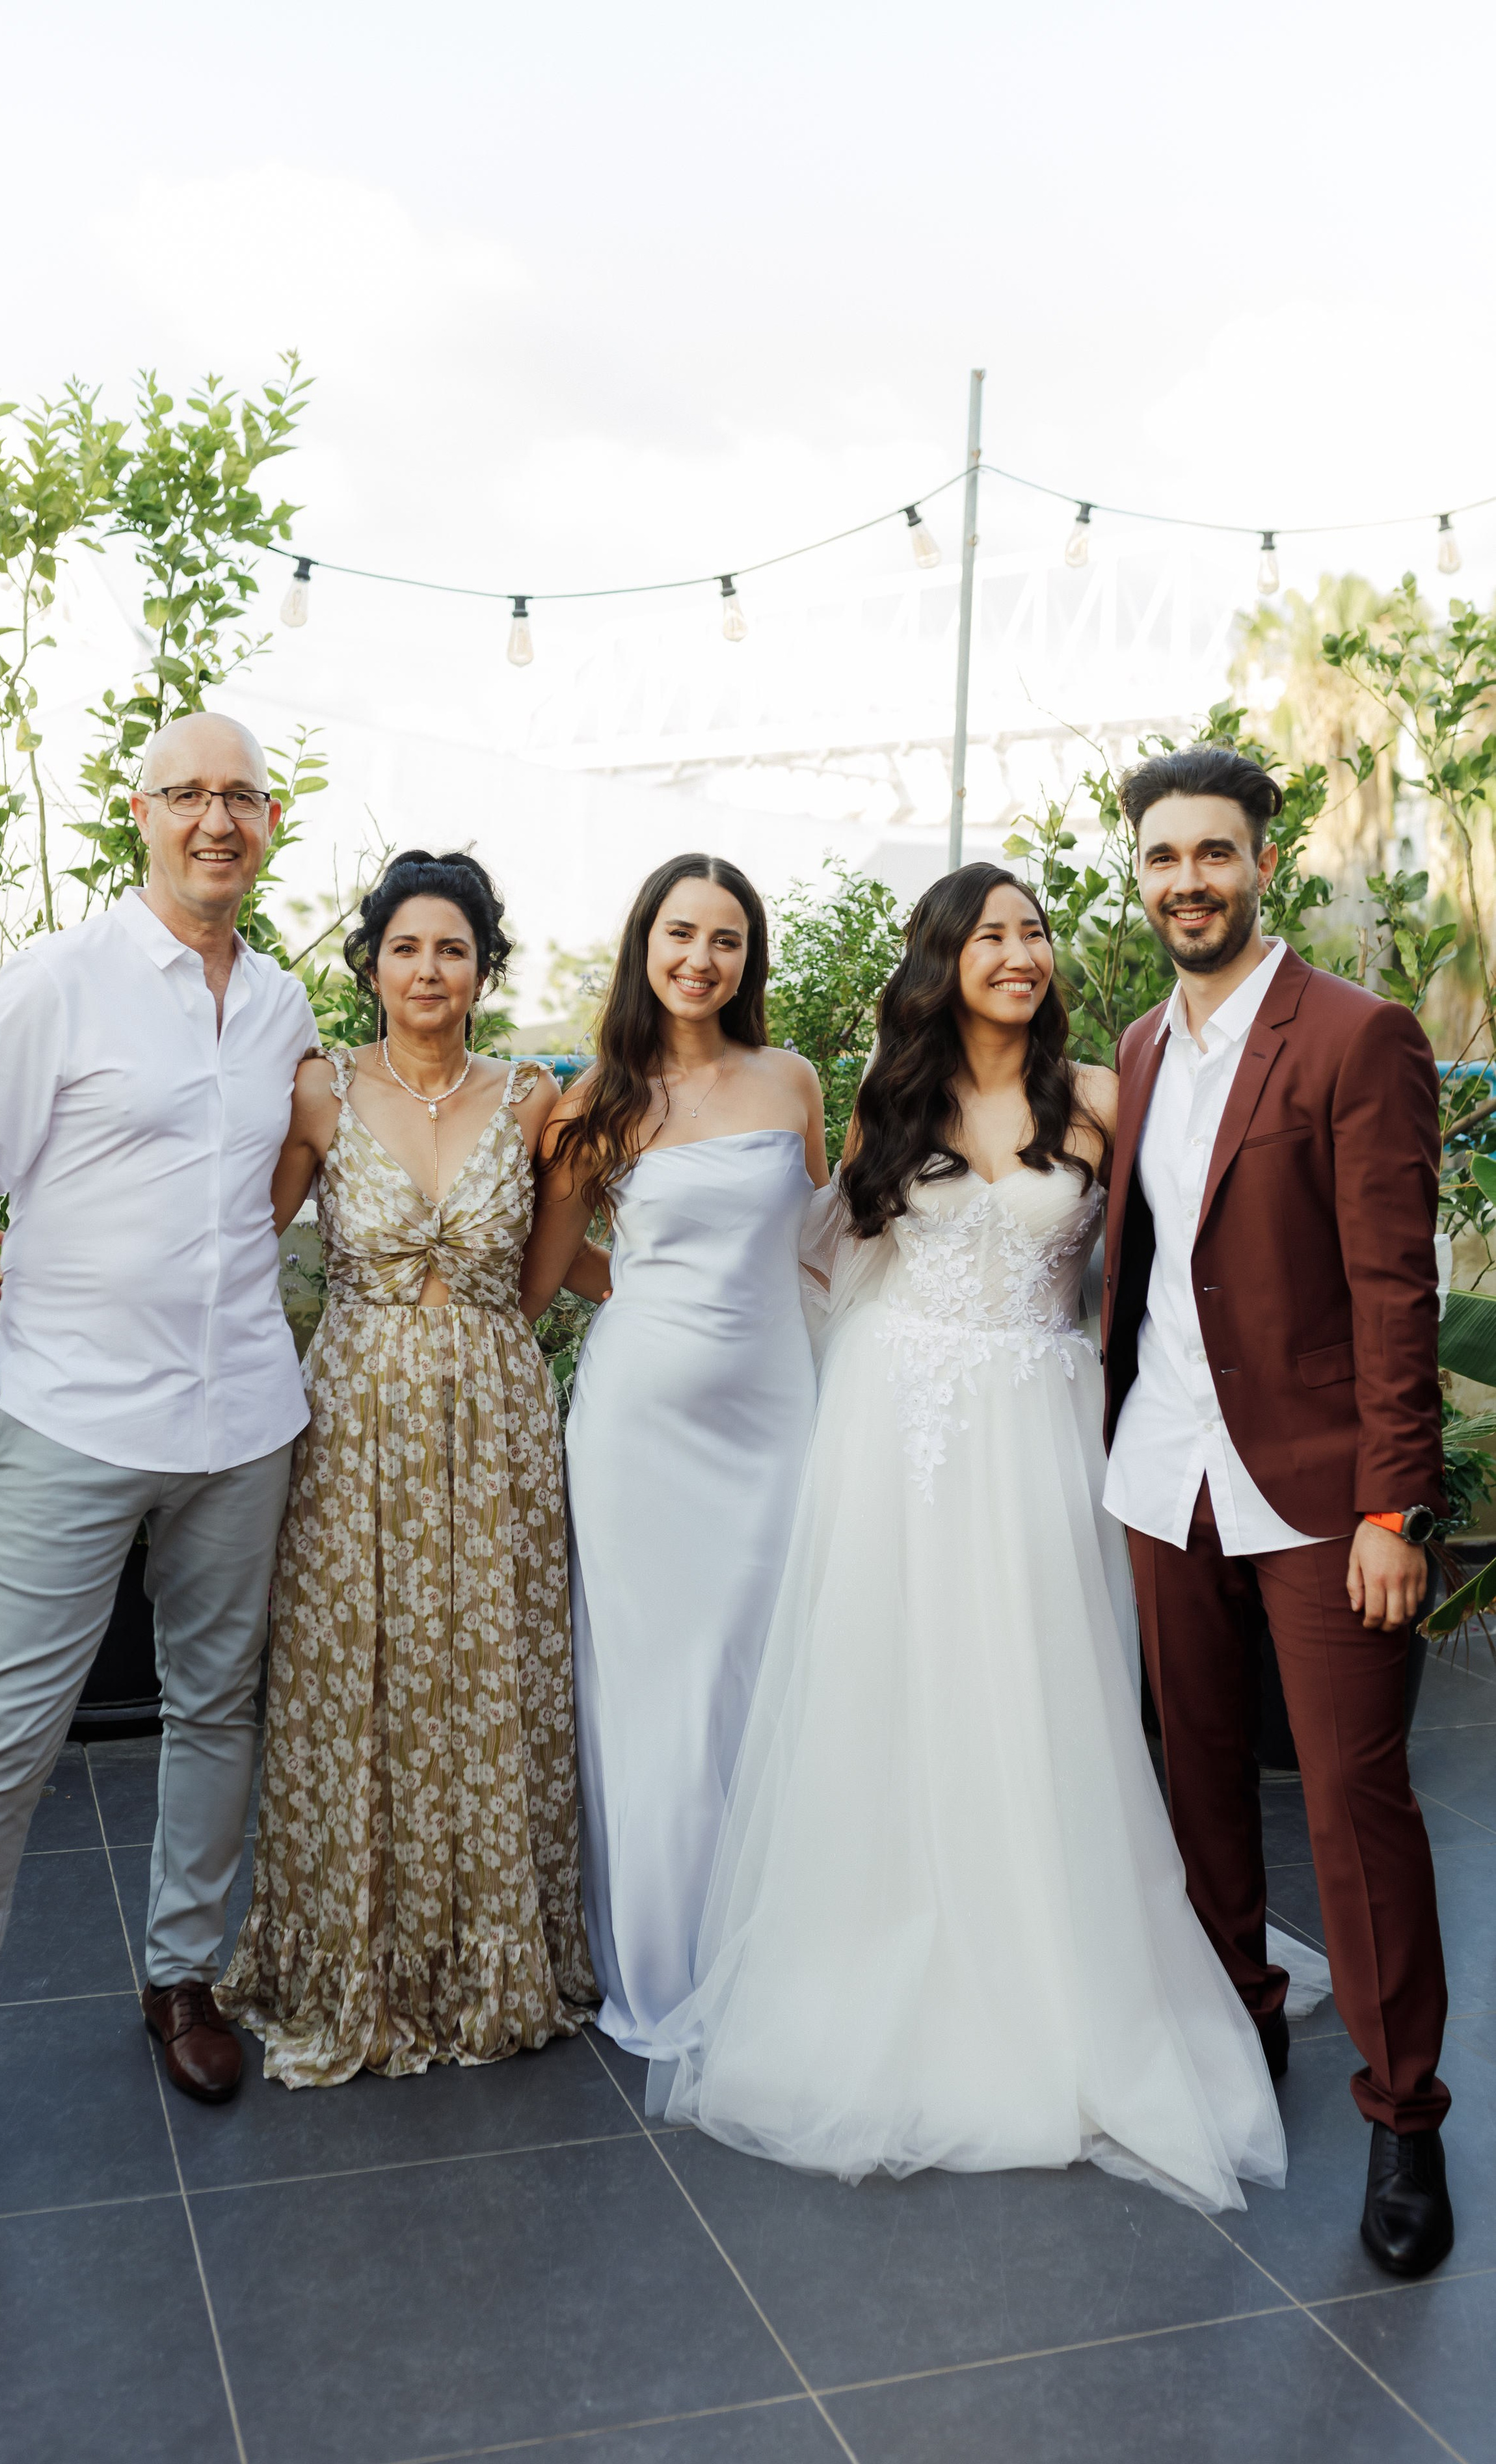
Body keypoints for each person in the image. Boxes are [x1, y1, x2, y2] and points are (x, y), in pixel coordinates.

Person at [648, 865, 1287, 2215]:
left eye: (1033, 931)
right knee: (901, 1691)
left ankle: (1054, 1969)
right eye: (988, 933)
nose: (1017, 951)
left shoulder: (1102, 1102)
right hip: (901, 1431)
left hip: (1039, 1432)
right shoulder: (891, 1104)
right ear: (942, 960)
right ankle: (890, 1952)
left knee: (1039, 1692)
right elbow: (820, 1261)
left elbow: (1172, 1274)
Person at [0, 712, 317, 2221]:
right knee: (4, 1741)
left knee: (217, 1711)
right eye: (189, 794)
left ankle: (180, 1978)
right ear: (139, 814)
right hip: (72, 1420)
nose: (216, 819)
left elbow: (273, 1187)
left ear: (271, 826)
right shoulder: (57, 984)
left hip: (242, 1420)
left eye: (242, 797)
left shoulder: (279, 1002)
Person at [1101, 744, 1453, 2275]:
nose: (1188, 880)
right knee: (1193, 1782)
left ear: (1262, 864)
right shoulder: (1133, 1048)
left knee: (1349, 1806)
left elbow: (1393, 1290)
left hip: (1318, 1493)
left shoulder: (1353, 1037)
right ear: (1141, 874)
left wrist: (1395, 1509)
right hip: (1157, 1473)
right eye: (1163, 857)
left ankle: (1404, 2118)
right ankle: (1243, 2021)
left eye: (1214, 853)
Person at [217, 851, 602, 2083]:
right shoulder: (320, 1093)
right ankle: (352, 1961)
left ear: (485, 967)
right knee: (357, 1673)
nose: (428, 970)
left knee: (492, 1670)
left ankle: (492, 1958)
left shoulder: (540, 1099)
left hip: (497, 1417)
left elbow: (554, 1270)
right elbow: (235, 1236)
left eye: (453, 949)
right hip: (352, 1420)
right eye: (405, 947)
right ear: (372, 962)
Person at [520, 855, 826, 2058]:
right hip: (641, 1431)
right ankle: (665, 1964)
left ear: (750, 961)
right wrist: (645, 1291)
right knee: (659, 1692)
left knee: (763, 1674)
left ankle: (773, 1941)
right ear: (645, 942)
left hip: (776, 1421)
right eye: (682, 934)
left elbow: (815, 1245)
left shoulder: (791, 1080)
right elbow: (550, 1275)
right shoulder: (594, 1099)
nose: (703, 959)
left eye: (730, 941)